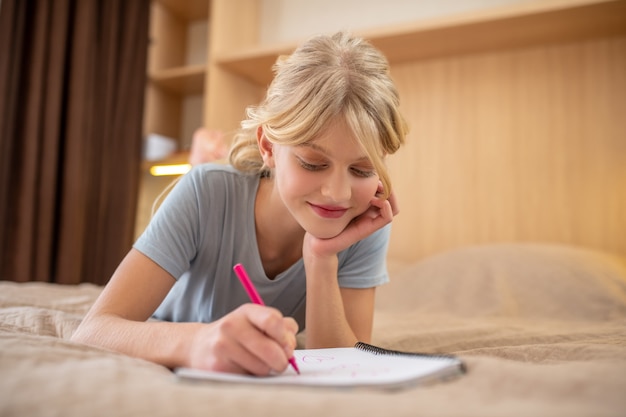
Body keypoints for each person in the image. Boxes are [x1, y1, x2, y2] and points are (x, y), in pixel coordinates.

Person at [71, 31, 407, 376]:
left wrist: (321, 257)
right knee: (207, 181)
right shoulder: (206, 192)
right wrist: (195, 343)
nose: (338, 194)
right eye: (313, 163)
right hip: (170, 323)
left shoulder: (363, 219)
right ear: (268, 147)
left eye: (362, 169)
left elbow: (341, 362)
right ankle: (202, 155)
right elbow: (93, 330)